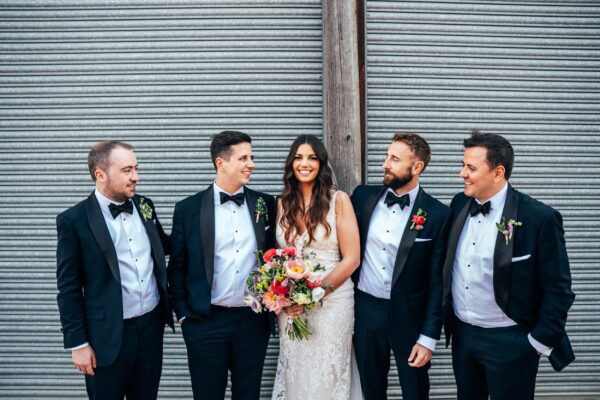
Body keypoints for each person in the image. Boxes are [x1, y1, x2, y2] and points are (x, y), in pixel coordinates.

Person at [442, 130, 575, 399]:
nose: (462, 174)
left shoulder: (539, 218)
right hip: (464, 337)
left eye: (470, 167)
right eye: (462, 165)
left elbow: (558, 288)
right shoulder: (458, 204)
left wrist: (536, 343)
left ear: (498, 172)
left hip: (511, 340)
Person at [56, 140, 173, 399]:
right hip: (106, 337)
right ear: (101, 175)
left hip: (150, 328)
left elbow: (164, 246)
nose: (136, 177)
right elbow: (69, 288)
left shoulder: (145, 205)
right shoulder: (73, 221)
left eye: (136, 168)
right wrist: (78, 343)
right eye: (127, 170)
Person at [168, 130, 276, 400]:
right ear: (221, 163)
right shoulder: (187, 210)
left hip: (252, 321)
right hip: (205, 322)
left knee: (248, 394)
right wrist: (184, 316)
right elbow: (177, 267)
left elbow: (275, 256)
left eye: (251, 157)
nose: (251, 163)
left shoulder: (266, 204)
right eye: (243, 158)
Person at [350, 133, 451, 400]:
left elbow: (438, 281)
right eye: (387, 156)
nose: (385, 163)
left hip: (410, 316)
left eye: (394, 159)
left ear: (417, 167)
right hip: (366, 310)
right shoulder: (361, 198)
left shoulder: (439, 215)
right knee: (370, 388)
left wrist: (429, 336)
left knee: (415, 390)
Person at [271, 134, 361, 400]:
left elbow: (352, 258)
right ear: (291, 164)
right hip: (292, 308)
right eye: (298, 157)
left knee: (328, 372)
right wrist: (284, 296)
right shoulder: (282, 202)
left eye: (311, 157)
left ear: (321, 163)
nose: (304, 163)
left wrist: (315, 293)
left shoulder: (339, 200)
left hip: (332, 303)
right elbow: (280, 257)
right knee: (296, 371)